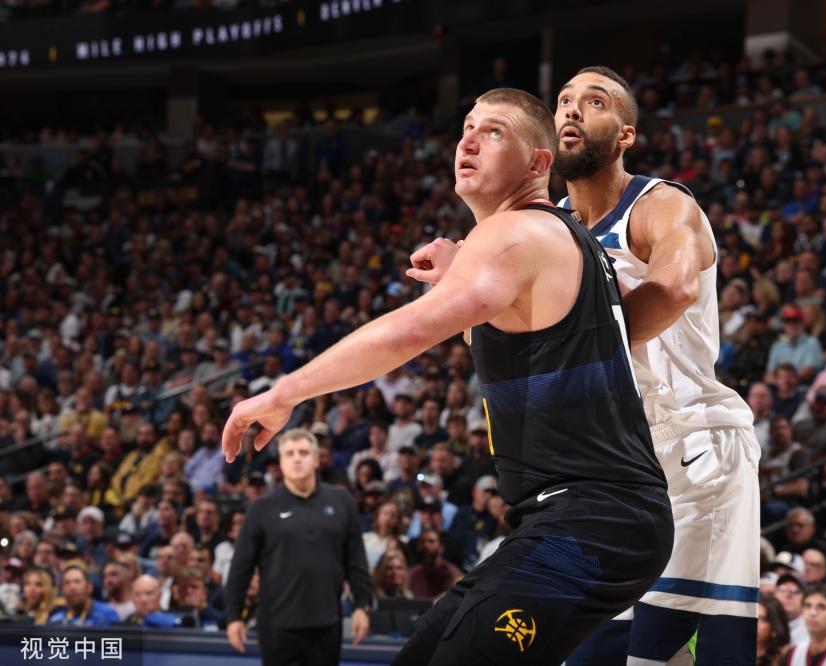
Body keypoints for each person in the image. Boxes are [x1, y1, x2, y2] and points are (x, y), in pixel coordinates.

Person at [222, 87, 673, 665]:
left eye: (494, 131)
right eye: (466, 128)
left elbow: (408, 333)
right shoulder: (547, 239)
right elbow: (527, 341)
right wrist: (461, 278)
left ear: (538, 163)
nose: (468, 141)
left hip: (594, 519)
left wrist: (284, 393)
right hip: (578, 518)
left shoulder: (516, 233)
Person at [545, 64, 760, 666]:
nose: (572, 109)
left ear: (626, 134)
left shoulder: (661, 204)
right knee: (588, 654)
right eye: (563, 100)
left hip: (690, 450)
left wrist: (572, 356)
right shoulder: (549, 225)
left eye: (595, 101)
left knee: (664, 654)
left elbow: (674, 288)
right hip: (605, 464)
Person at [223, 429, 373, 666]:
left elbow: (356, 560)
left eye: (303, 453)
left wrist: (362, 605)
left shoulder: (342, 501)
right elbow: (241, 567)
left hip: (327, 623)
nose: (297, 459)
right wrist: (233, 616)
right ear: (281, 462)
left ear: (316, 459)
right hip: (277, 626)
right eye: (289, 453)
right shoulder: (261, 508)